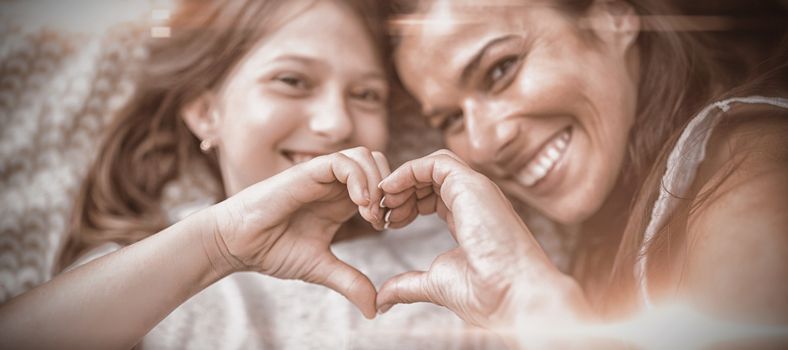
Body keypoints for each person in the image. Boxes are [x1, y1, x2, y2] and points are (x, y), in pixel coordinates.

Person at [0, 1, 477, 348]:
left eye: (367, 94)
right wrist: (217, 245)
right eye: (292, 81)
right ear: (207, 113)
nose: (337, 123)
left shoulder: (445, 253)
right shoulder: (141, 272)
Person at [375, 0, 788, 347]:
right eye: (450, 119)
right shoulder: (607, 218)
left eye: (501, 69)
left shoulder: (750, 194)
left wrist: (529, 301)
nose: (483, 145)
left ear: (612, 18)